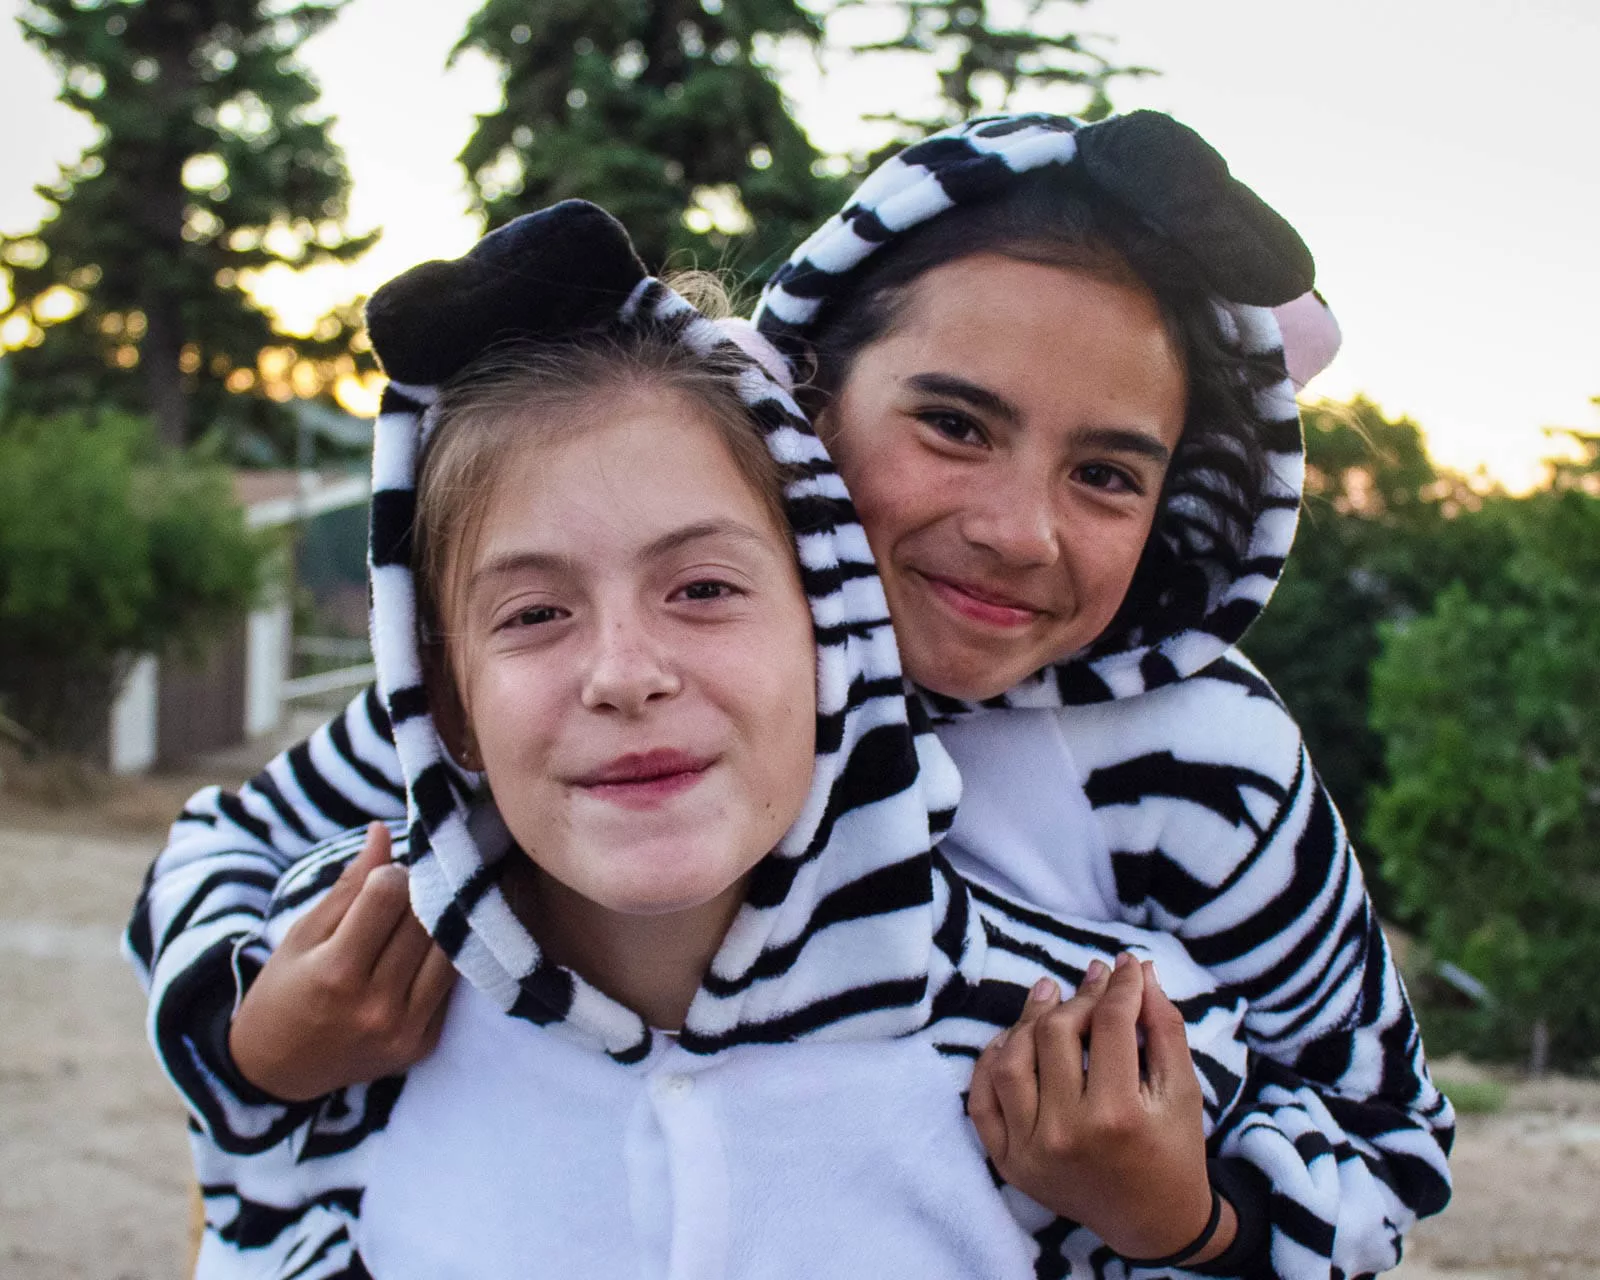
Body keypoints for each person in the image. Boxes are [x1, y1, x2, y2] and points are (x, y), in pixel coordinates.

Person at [130, 112, 1452, 1277]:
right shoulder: (555, 698)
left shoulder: (1207, 761)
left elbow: (1382, 1135)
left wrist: (1190, 1223)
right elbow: (230, 849)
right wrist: (257, 1047)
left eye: (1106, 474)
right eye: (955, 426)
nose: (1017, 531)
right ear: (807, 403)